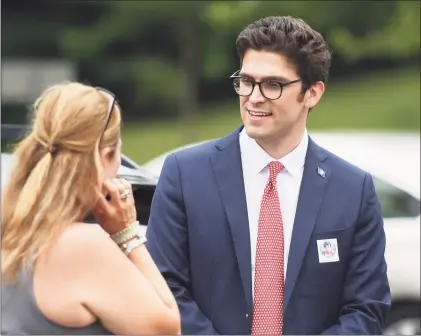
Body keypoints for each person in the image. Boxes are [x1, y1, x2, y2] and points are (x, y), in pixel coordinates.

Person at [146, 16, 391, 335]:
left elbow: (366, 308)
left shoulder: (353, 189)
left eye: (273, 84)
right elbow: (163, 286)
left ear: (313, 93)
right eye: (246, 81)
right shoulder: (184, 173)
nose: (254, 97)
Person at [1, 82, 181, 335]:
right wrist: (128, 235)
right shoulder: (82, 246)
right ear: (106, 156)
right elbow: (168, 330)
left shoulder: (11, 231)